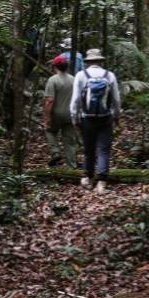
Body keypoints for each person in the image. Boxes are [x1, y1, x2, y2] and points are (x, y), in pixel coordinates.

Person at [70, 49, 121, 195]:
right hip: (105, 118)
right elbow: (117, 100)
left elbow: (75, 100)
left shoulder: (81, 75)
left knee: (88, 149)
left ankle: (87, 178)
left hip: (87, 117)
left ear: (88, 61)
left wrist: (74, 118)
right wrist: (117, 116)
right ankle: (101, 183)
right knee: (104, 150)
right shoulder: (109, 75)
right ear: (100, 60)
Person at [43, 55, 79, 168]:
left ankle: (55, 152)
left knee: (49, 131)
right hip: (70, 115)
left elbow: (50, 101)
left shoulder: (53, 80)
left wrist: (47, 118)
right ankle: (71, 167)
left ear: (55, 66)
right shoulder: (74, 79)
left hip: (56, 115)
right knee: (69, 141)